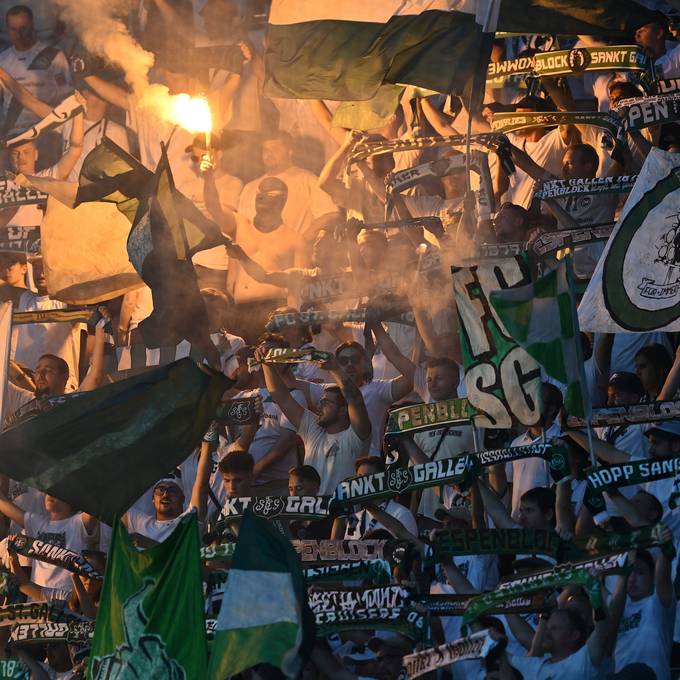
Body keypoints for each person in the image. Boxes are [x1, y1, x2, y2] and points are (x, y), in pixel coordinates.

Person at [260, 347, 371, 494]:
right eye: (320, 402)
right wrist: (266, 363)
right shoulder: (313, 429)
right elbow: (282, 397)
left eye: (325, 403)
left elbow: (355, 399)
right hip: (311, 515)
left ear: (343, 410)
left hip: (342, 515)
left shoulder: (356, 437)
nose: (319, 406)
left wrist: (335, 369)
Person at [237, 130, 339, 246]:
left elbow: (330, 215)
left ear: (289, 152)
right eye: (265, 150)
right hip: (257, 258)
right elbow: (242, 227)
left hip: (293, 259)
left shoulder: (307, 180)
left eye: (275, 149)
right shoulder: (250, 188)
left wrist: (300, 242)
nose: (268, 154)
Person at [0, 490, 97, 598]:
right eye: (49, 490)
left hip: (68, 599)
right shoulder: (36, 522)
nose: (51, 494)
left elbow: (98, 505)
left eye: (59, 492)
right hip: (36, 598)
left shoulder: (78, 523)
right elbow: (3, 503)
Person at [0, 5, 71, 138]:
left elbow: (66, 98)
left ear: (32, 26)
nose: (19, 34)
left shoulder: (54, 56)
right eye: (13, 29)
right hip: (13, 137)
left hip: (46, 133)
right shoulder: (2, 60)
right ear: (7, 30)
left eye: (23, 28)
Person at [123, 443, 212, 545]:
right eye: (160, 490)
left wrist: (207, 446)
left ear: (182, 498)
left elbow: (202, 486)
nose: (165, 494)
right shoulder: (139, 522)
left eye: (172, 490)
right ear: (152, 498)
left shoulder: (189, 521)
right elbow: (112, 503)